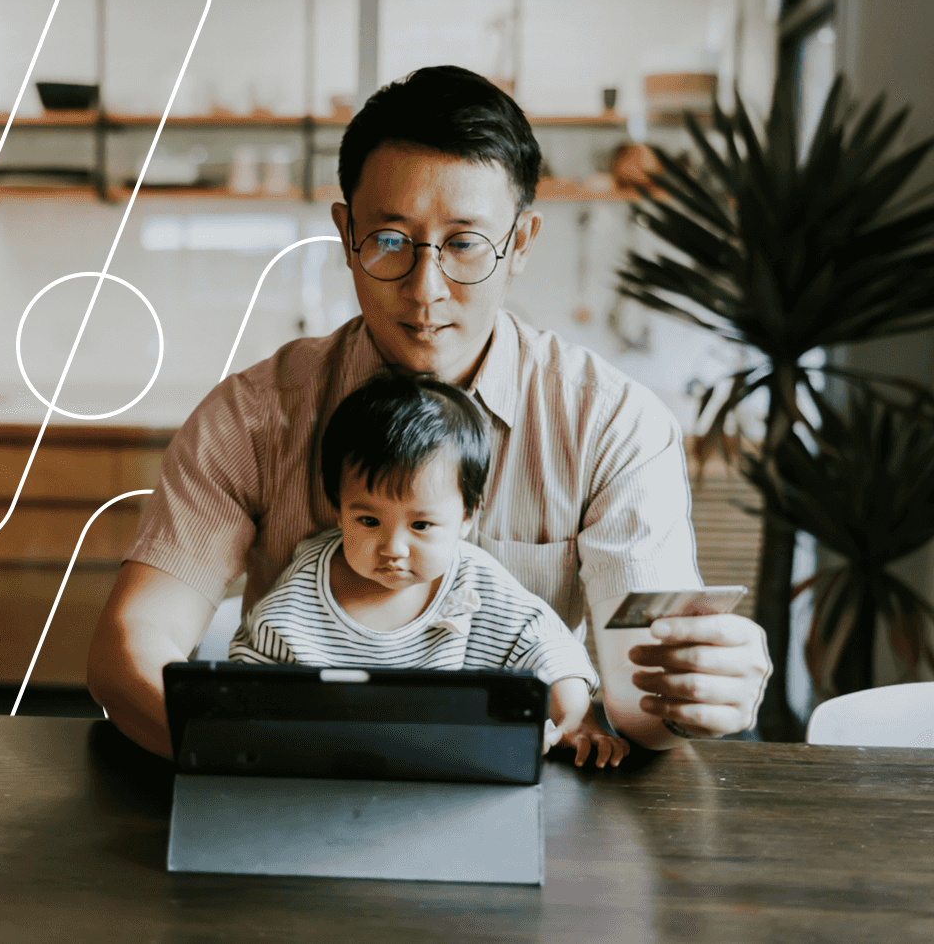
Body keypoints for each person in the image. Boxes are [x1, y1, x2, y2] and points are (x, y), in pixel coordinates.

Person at [87, 65, 772, 760]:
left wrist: (696, 688)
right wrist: (244, 756)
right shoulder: (254, 417)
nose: (426, 290)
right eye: (390, 241)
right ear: (347, 234)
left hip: (521, 791)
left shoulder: (611, 424)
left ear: (522, 244)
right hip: (293, 784)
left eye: (465, 244)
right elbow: (132, 643)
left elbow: (638, 700)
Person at [229, 374, 629, 768]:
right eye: (368, 520)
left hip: (459, 775)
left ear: (467, 517)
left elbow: (546, 645)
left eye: (421, 526)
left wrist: (577, 717)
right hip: (330, 776)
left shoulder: (475, 581)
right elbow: (245, 687)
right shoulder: (299, 599)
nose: (393, 548)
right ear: (338, 507)